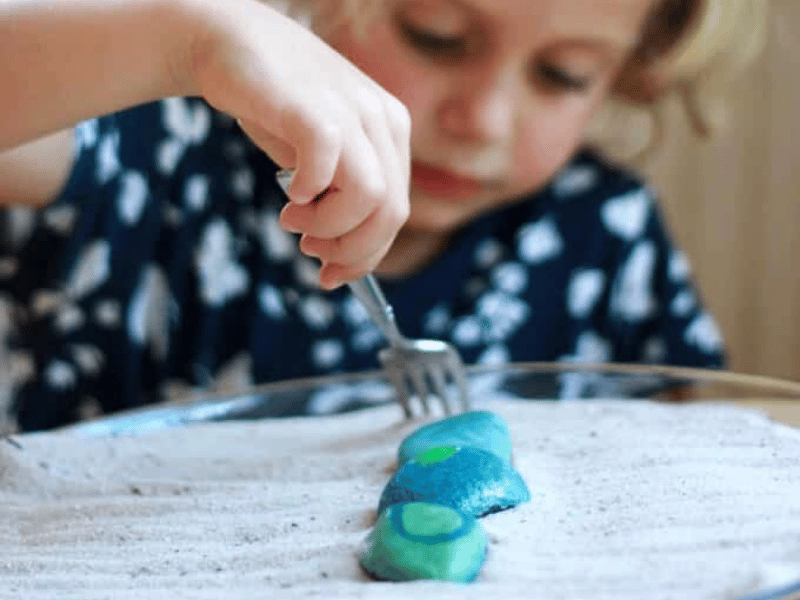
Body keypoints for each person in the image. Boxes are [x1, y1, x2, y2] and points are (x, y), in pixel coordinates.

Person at [0, 0, 765, 431]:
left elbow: (684, 482)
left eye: (564, 76)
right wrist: (190, 40)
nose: (485, 119)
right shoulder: (154, 154)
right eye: (435, 35)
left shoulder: (606, 232)